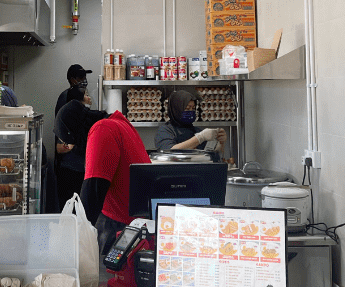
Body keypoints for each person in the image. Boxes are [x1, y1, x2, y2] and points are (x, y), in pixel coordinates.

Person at [80, 108, 151, 256]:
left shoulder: (102, 129)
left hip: (117, 227)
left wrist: (77, 232)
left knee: (111, 273)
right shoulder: (120, 124)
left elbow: (94, 186)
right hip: (133, 221)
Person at [53, 87, 110, 209]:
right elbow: (59, 147)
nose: (89, 97)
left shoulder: (78, 115)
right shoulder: (72, 115)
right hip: (73, 170)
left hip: (80, 170)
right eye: (86, 94)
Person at [155, 89, 226, 161]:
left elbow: (213, 158)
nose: (191, 112)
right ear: (176, 109)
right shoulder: (165, 131)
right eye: (187, 108)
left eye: (193, 109)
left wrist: (220, 143)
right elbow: (169, 152)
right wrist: (200, 138)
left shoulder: (196, 131)